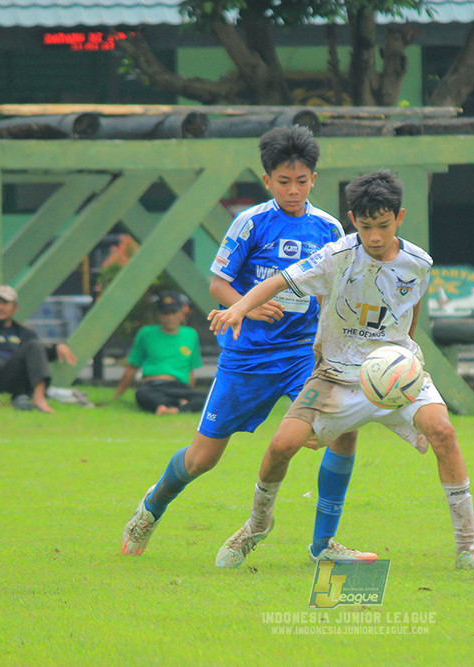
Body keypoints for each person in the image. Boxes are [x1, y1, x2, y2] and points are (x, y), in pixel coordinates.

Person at [209, 169, 474, 571]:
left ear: (399, 217)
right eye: (366, 227)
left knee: (443, 431)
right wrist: (239, 308)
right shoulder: (336, 256)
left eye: (384, 225)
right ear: (353, 220)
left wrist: (405, 360)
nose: (376, 237)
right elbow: (278, 282)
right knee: (281, 446)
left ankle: (468, 549)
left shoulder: (418, 263)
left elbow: (410, 312)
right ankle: (257, 526)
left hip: (395, 372)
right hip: (335, 375)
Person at [120, 126, 358, 559]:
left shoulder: (328, 228)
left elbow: (331, 292)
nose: (292, 190)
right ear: (267, 181)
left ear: (313, 180)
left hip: (301, 355)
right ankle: (151, 508)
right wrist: (247, 306)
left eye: (301, 181)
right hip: (247, 357)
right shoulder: (251, 222)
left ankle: (323, 543)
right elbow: (218, 285)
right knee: (202, 459)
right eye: (283, 182)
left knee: (340, 433)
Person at [0, 285, 78, 412]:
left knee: (34, 344)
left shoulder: (24, 331)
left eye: (5, 303)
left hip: (11, 376)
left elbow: (38, 354)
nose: (0, 307)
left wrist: (57, 347)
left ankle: (39, 398)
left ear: (15, 307)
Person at [112, 291, 206, 415]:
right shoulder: (146, 333)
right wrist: (116, 396)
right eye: (165, 313)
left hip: (179, 386)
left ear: (182, 313)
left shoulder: (191, 334)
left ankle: (172, 408)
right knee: (142, 394)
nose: (170, 318)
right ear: (159, 315)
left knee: (208, 397)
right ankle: (176, 405)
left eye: (174, 312)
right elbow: (132, 367)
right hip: (153, 385)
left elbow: (190, 371)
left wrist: (189, 392)